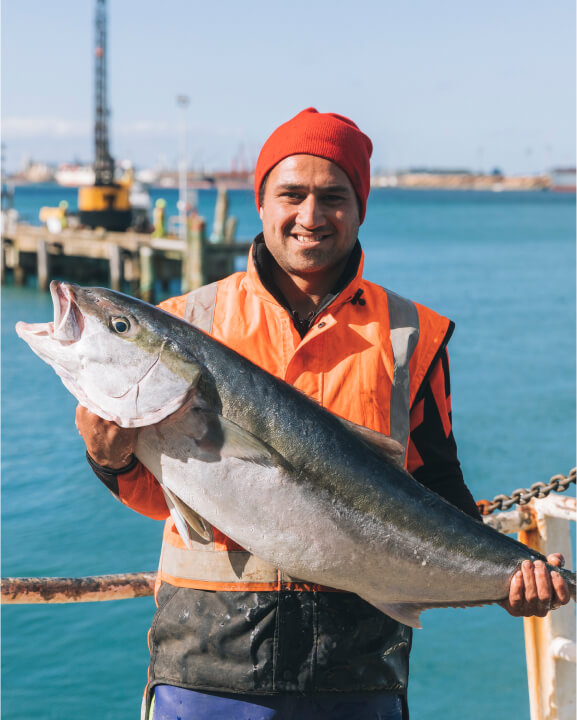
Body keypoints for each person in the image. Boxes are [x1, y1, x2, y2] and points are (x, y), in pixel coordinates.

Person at [76, 108, 570, 720]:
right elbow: (165, 496)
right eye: (292, 194)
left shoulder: (411, 334)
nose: (310, 216)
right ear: (261, 203)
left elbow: (438, 487)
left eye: (333, 196)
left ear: (360, 208)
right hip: (206, 670)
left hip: (358, 675)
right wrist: (108, 456)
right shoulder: (186, 324)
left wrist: (508, 580)